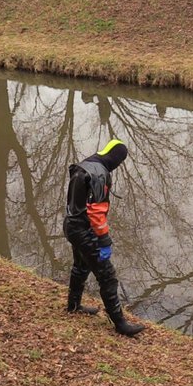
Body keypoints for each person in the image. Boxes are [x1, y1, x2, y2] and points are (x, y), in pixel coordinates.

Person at [63, 139, 145, 336]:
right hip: (85, 230)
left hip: (71, 224)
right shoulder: (99, 174)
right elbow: (97, 213)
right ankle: (119, 324)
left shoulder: (85, 165)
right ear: (115, 158)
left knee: (81, 267)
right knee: (107, 276)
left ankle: (73, 306)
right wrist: (104, 240)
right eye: (120, 161)